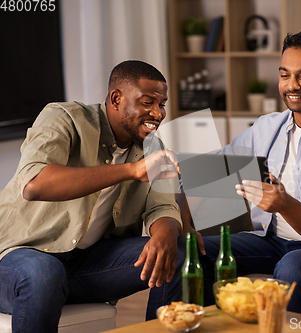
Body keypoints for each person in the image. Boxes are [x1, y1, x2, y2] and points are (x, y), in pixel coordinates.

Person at [160, 28, 301, 315]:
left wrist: (284, 204)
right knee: (189, 251)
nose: (292, 85)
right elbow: (205, 174)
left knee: (294, 264)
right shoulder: (267, 127)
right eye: (285, 75)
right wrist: (186, 226)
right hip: (270, 240)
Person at [0, 60, 184, 333]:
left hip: (83, 265)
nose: (158, 113)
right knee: (44, 274)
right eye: (147, 102)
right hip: (20, 256)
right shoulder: (63, 117)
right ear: (117, 98)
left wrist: (166, 235)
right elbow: (35, 183)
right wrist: (131, 171)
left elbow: (163, 206)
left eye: (162, 104)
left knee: (174, 253)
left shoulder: (152, 147)